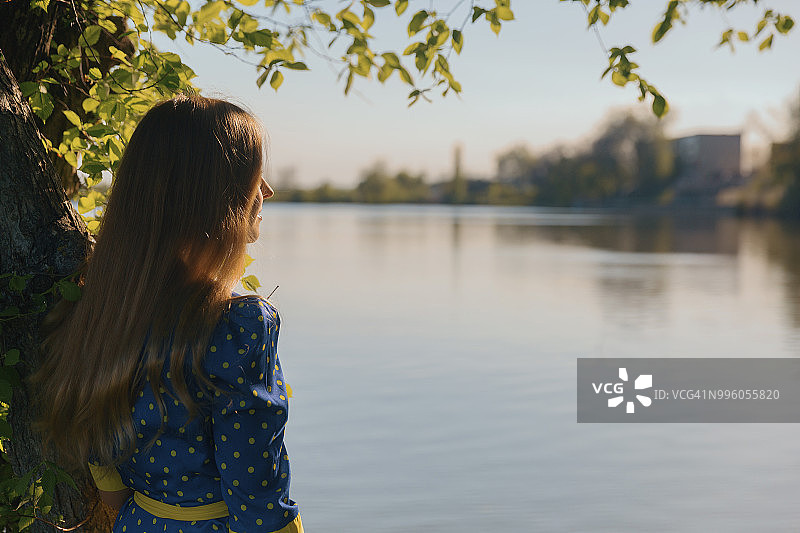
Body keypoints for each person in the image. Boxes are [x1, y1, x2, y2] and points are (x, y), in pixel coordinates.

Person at [31, 94, 302, 533]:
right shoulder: (239, 326)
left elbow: (107, 478)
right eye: (253, 175)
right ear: (214, 197)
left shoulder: (107, 305)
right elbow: (257, 500)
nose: (266, 190)